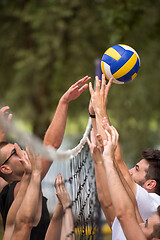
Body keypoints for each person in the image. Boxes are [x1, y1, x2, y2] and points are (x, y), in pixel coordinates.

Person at [0, 75, 90, 239]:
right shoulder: (24, 185)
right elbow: (51, 146)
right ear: (5, 168)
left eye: (19, 148)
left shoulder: (4, 191)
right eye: (16, 153)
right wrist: (63, 103)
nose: (22, 151)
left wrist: (1, 136)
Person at [88, 74, 160, 239]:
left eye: (136, 169)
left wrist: (100, 110)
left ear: (150, 183)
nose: (129, 171)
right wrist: (94, 116)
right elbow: (106, 203)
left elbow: (116, 161)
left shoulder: (153, 204)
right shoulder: (138, 209)